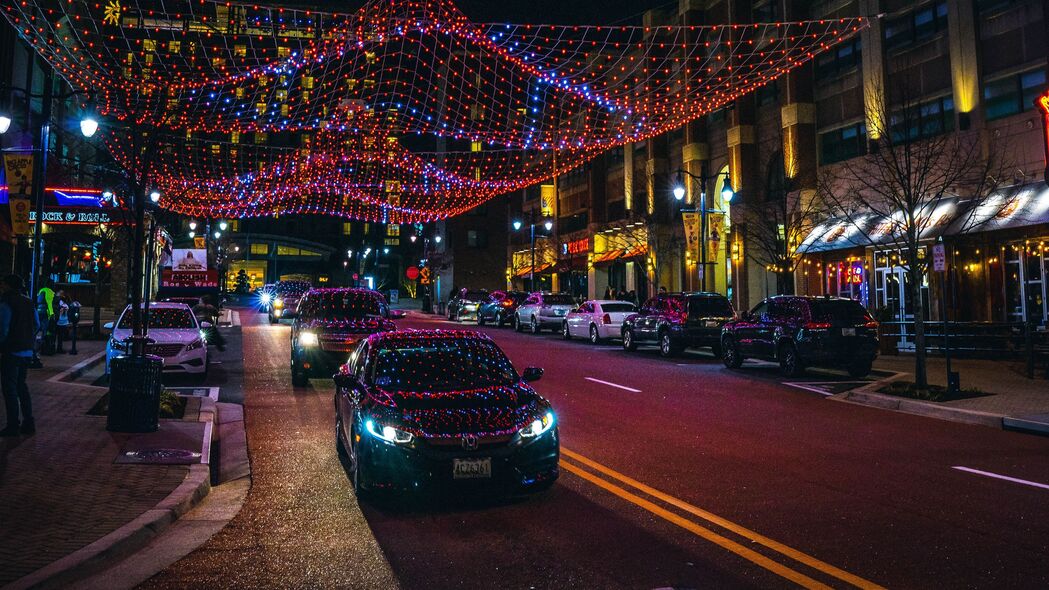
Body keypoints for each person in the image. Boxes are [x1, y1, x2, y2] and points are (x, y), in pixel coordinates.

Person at [1, 275, 39, 436]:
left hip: (12, 350)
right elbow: (36, 325)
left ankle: (13, 425)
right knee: (21, 386)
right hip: (27, 350)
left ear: (8, 285)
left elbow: (3, 328)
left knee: (9, 389)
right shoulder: (29, 302)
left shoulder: (6, 303)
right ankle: (28, 422)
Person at [36, 281, 55, 355]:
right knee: (45, 329)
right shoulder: (50, 291)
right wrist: (52, 314)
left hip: (38, 310)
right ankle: (42, 348)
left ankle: (37, 344)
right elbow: (49, 303)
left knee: (38, 329)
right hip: (45, 312)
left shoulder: (41, 290)